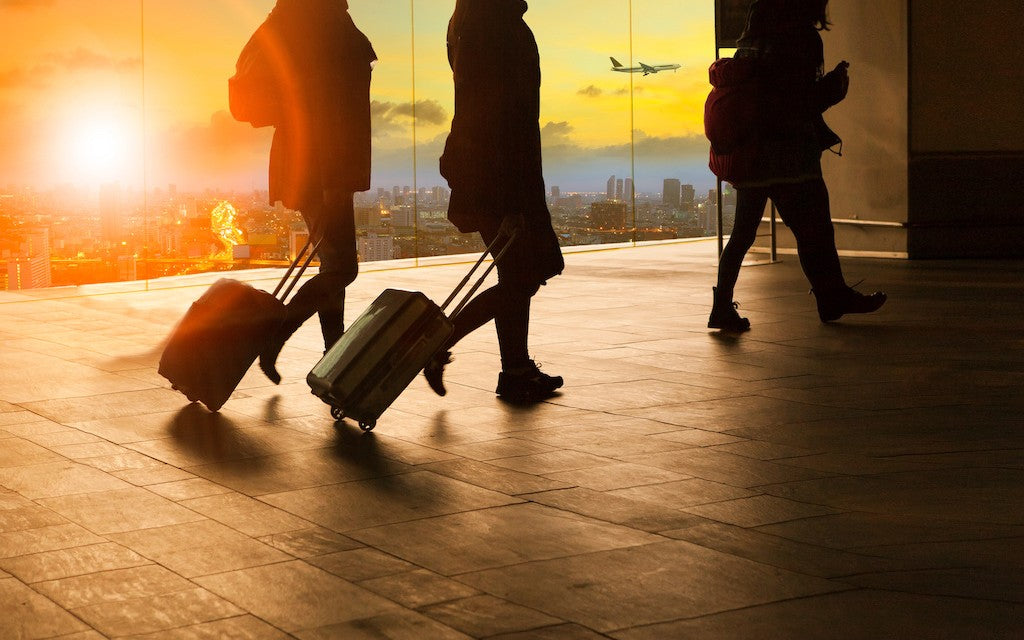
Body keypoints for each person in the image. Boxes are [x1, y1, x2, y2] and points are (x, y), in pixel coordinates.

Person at [708, 0, 886, 332]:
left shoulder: (752, 40)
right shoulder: (801, 39)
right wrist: (834, 87)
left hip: (752, 153)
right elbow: (801, 101)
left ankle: (721, 307)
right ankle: (832, 297)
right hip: (791, 155)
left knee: (743, 234)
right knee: (815, 230)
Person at [424, 0, 565, 402]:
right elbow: (506, 116)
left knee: (516, 273)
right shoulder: (498, 27)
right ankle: (440, 341)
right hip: (502, 173)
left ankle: (516, 369)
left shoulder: (469, 21)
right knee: (521, 277)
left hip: (485, 168)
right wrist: (515, 199)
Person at [256, 0, 377, 383]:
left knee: (333, 267)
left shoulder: (307, 21)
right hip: (323, 169)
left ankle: (333, 355)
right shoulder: (326, 24)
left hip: (310, 165)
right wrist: (334, 181)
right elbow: (331, 111)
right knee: (342, 268)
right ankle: (277, 334)